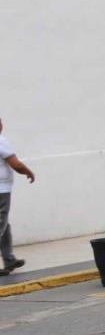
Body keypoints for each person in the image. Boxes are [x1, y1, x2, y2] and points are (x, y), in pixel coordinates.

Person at [0, 117, 35, 275]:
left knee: (4, 226)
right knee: (1, 224)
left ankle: (9, 259)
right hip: (1, 190)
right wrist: (28, 172)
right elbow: (15, 164)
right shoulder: (1, 140)